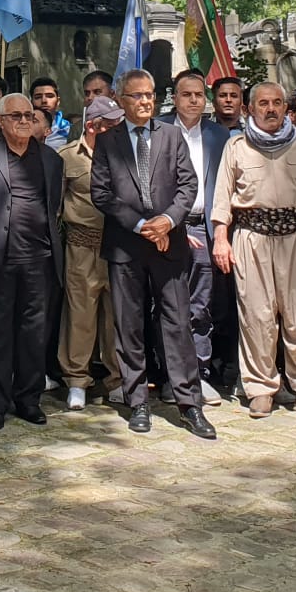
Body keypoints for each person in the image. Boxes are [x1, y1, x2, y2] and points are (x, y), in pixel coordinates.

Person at [91, 69, 213, 439]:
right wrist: (143, 226)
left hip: (170, 244)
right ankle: (137, 400)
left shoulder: (171, 135)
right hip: (127, 247)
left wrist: (166, 221)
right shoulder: (108, 141)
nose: (146, 101)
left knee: (177, 323)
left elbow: (188, 184)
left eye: (150, 95)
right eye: (137, 96)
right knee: (130, 324)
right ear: (122, 101)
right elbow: (102, 193)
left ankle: (189, 404)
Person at [211, 80, 296, 419]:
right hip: (251, 238)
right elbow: (223, 197)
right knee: (257, 316)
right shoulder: (236, 147)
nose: (270, 109)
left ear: (286, 109)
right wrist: (221, 239)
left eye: (277, 103)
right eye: (263, 103)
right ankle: (261, 388)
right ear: (249, 109)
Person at [0, 92, 65, 430]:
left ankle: (28, 400)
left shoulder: (51, 159)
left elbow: (55, 205)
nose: (23, 121)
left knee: (34, 334)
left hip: (40, 259)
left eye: (28, 116)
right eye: (15, 116)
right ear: (0, 122)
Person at [166, 70, 233, 399]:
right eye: (186, 94)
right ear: (175, 97)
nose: (193, 100)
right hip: (167, 228)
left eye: (198, 95)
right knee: (165, 304)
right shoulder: (159, 129)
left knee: (200, 306)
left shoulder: (220, 136)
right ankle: (168, 375)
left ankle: (199, 373)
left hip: (203, 228)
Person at [55, 97, 122, 409]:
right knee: (80, 313)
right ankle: (77, 379)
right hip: (81, 245)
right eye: (111, 122)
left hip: (119, 245)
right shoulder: (68, 157)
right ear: (94, 124)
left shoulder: (126, 154)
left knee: (117, 316)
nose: (117, 127)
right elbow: (56, 205)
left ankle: (117, 379)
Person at [29, 77, 71, 145]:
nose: (44, 101)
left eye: (50, 96)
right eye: (38, 97)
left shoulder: (69, 129)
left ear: (58, 101)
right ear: (31, 102)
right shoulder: (24, 127)